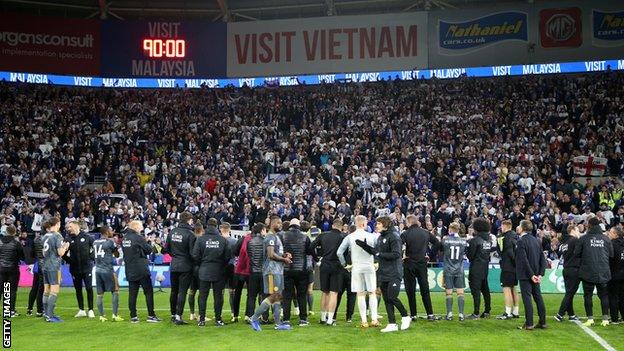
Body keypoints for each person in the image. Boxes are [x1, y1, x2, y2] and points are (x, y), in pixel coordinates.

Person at [358, 216, 410, 332]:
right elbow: (376, 252)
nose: (376, 225)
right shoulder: (381, 237)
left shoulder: (394, 236)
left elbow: (396, 254)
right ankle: (392, 323)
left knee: (392, 297)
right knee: (386, 299)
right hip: (383, 272)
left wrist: (379, 254)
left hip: (394, 272)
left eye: (379, 223)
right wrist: (364, 246)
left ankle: (406, 316)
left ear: (385, 224)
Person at [249, 216, 293, 331]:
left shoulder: (275, 237)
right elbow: (271, 255)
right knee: (274, 296)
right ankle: (254, 318)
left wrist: (284, 255)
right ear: (272, 224)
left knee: (277, 296)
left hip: (277, 270)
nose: (280, 225)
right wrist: (284, 260)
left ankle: (278, 324)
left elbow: (276, 253)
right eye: (278, 223)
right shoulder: (270, 237)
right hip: (271, 271)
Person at [337, 215, 379, 328]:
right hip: (369, 266)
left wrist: (345, 265)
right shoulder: (372, 236)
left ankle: (364, 321)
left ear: (356, 224)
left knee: (360, 293)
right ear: (364, 224)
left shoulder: (350, 237)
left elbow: (339, 252)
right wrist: (377, 261)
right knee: (372, 292)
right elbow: (378, 250)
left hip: (356, 267)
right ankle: (374, 319)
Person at [575, 216, 614, 327]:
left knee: (588, 295)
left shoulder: (584, 238)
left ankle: (590, 319)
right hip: (603, 271)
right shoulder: (606, 239)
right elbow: (611, 255)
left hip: (588, 271)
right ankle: (605, 319)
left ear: (589, 225)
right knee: (604, 295)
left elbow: (576, 253)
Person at [192, 218, 231, 327]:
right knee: (218, 296)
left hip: (204, 270)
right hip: (218, 271)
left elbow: (195, 255)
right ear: (217, 226)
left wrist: (202, 263)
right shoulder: (223, 240)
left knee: (203, 296)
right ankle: (218, 319)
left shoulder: (200, 239)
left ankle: (202, 320)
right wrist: (221, 264)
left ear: (206, 226)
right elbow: (228, 256)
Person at [122, 220, 161, 323]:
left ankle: (133, 316)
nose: (141, 228)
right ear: (135, 227)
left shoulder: (125, 238)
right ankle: (151, 316)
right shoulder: (138, 237)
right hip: (141, 269)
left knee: (132, 294)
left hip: (129, 269)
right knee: (148, 292)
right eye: (140, 226)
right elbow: (149, 250)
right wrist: (149, 242)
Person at [401, 215, 439, 321]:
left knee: (410, 290)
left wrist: (402, 256)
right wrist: (430, 255)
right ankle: (430, 314)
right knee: (425, 289)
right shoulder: (425, 232)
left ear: (408, 223)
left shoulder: (405, 233)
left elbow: (398, 245)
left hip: (409, 263)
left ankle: (413, 315)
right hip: (422, 263)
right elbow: (437, 243)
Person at [312, 218, 346, 325]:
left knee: (325, 292)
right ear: (341, 227)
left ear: (332, 225)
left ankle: (322, 318)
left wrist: (317, 258)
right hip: (337, 265)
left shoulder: (323, 235)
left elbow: (310, 247)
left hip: (325, 265)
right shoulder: (343, 237)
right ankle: (330, 319)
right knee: (334, 293)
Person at [281, 218, 314, 326]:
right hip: (301, 270)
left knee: (287, 295)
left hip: (287, 269)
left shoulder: (282, 236)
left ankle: (286, 319)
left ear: (290, 225)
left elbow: (278, 251)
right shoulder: (305, 237)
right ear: (298, 225)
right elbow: (310, 251)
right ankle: (303, 319)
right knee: (301, 295)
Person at [515, 220, 547, 330]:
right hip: (536, 275)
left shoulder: (521, 241)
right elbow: (543, 258)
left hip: (526, 275)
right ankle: (543, 322)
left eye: (519, 225)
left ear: (522, 228)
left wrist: (531, 275)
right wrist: (540, 274)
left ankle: (529, 323)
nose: (517, 227)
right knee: (538, 297)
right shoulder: (536, 240)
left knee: (527, 298)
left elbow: (524, 260)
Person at [165, 211, 196, 325]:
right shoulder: (190, 234)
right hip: (185, 266)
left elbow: (166, 248)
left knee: (174, 291)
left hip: (174, 265)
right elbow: (193, 253)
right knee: (182, 292)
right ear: (188, 220)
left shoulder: (172, 232)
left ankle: (173, 314)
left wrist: (175, 256)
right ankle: (178, 316)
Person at [41, 217, 70, 322]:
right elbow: (60, 253)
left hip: (45, 265)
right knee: (54, 291)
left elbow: (43, 253)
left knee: (46, 290)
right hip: (53, 266)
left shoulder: (45, 236)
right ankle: (50, 316)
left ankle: (46, 313)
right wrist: (66, 246)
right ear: (57, 224)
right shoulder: (58, 236)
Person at [64, 221, 95, 318]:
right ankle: (81, 309)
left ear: (76, 226)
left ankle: (90, 310)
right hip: (74, 269)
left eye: (70, 226)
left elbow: (94, 248)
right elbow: (63, 253)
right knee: (78, 289)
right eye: (68, 227)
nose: (69, 228)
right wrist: (69, 260)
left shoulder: (87, 237)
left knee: (89, 288)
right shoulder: (68, 239)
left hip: (87, 268)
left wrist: (91, 258)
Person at [93, 226, 123, 322]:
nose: (112, 231)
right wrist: (116, 247)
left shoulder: (95, 242)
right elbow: (117, 254)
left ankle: (102, 316)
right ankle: (114, 315)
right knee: (115, 291)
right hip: (108, 270)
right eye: (110, 230)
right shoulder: (109, 242)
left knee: (99, 294)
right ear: (106, 232)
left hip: (97, 270)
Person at [466, 217, 493, 320]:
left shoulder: (475, 240)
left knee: (476, 291)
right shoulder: (489, 240)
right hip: (484, 268)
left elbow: (470, 256)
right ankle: (487, 311)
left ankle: (476, 313)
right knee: (485, 290)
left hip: (476, 269)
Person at [555, 224, 582, 322]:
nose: (579, 232)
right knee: (570, 293)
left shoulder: (565, 242)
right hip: (574, 270)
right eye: (577, 230)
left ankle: (571, 314)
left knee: (569, 293)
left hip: (566, 269)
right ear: (573, 230)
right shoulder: (575, 241)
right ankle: (560, 314)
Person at [442, 222, 467, 321]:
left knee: (449, 293)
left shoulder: (445, 240)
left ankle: (449, 314)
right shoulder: (463, 241)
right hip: (459, 269)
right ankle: (461, 314)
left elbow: (441, 248)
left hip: (448, 269)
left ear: (450, 229)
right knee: (460, 292)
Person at [243, 223, 267, 323]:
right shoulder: (266, 242)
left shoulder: (250, 242)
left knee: (251, 295)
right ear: (262, 230)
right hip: (264, 272)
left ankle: (249, 316)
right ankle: (264, 317)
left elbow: (249, 255)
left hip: (253, 272)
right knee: (264, 296)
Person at [221, 222, 244, 323]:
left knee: (220, 292)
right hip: (232, 268)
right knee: (232, 292)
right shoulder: (235, 241)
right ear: (230, 230)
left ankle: (219, 313)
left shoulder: (219, 241)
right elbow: (239, 255)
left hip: (220, 268)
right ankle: (233, 314)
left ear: (221, 229)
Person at [497, 220, 520, 320]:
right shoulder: (516, 236)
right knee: (513, 288)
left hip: (507, 266)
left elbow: (510, 252)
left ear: (505, 226)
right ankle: (515, 311)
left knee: (506, 289)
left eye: (502, 226)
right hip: (514, 268)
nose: (501, 228)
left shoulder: (505, 237)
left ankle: (507, 313)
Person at [0, 225, 24, 317]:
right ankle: (11, 311)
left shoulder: (0, 242)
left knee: (0, 290)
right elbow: (22, 256)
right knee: (12, 290)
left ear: (6, 231)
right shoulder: (16, 243)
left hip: (1, 268)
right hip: (13, 269)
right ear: (14, 232)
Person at [187, 223, 204, 322]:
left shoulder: (191, 239)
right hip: (200, 268)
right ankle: (201, 315)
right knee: (202, 292)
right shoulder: (201, 240)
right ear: (202, 230)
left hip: (191, 268)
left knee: (192, 291)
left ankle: (192, 314)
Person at [607, 226, 624, 323]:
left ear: (616, 234)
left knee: (613, 297)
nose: (609, 234)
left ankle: (614, 318)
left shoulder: (611, 244)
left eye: (611, 232)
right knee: (622, 296)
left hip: (614, 275)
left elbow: (608, 260)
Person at [27, 231, 44, 317]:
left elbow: (31, 254)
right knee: (42, 289)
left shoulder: (36, 239)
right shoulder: (48, 238)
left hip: (37, 265)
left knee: (34, 288)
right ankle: (40, 310)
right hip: (45, 266)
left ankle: (29, 309)